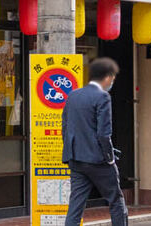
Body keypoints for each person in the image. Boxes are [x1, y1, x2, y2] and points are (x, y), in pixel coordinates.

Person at [61, 57, 129, 226]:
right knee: (116, 200)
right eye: (112, 78)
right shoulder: (103, 97)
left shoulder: (73, 95)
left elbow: (65, 127)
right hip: (98, 160)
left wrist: (71, 151)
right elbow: (104, 134)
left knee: (75, 205)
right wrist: (110, 159)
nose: (112, 82)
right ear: (107, 77)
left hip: (76, 159)